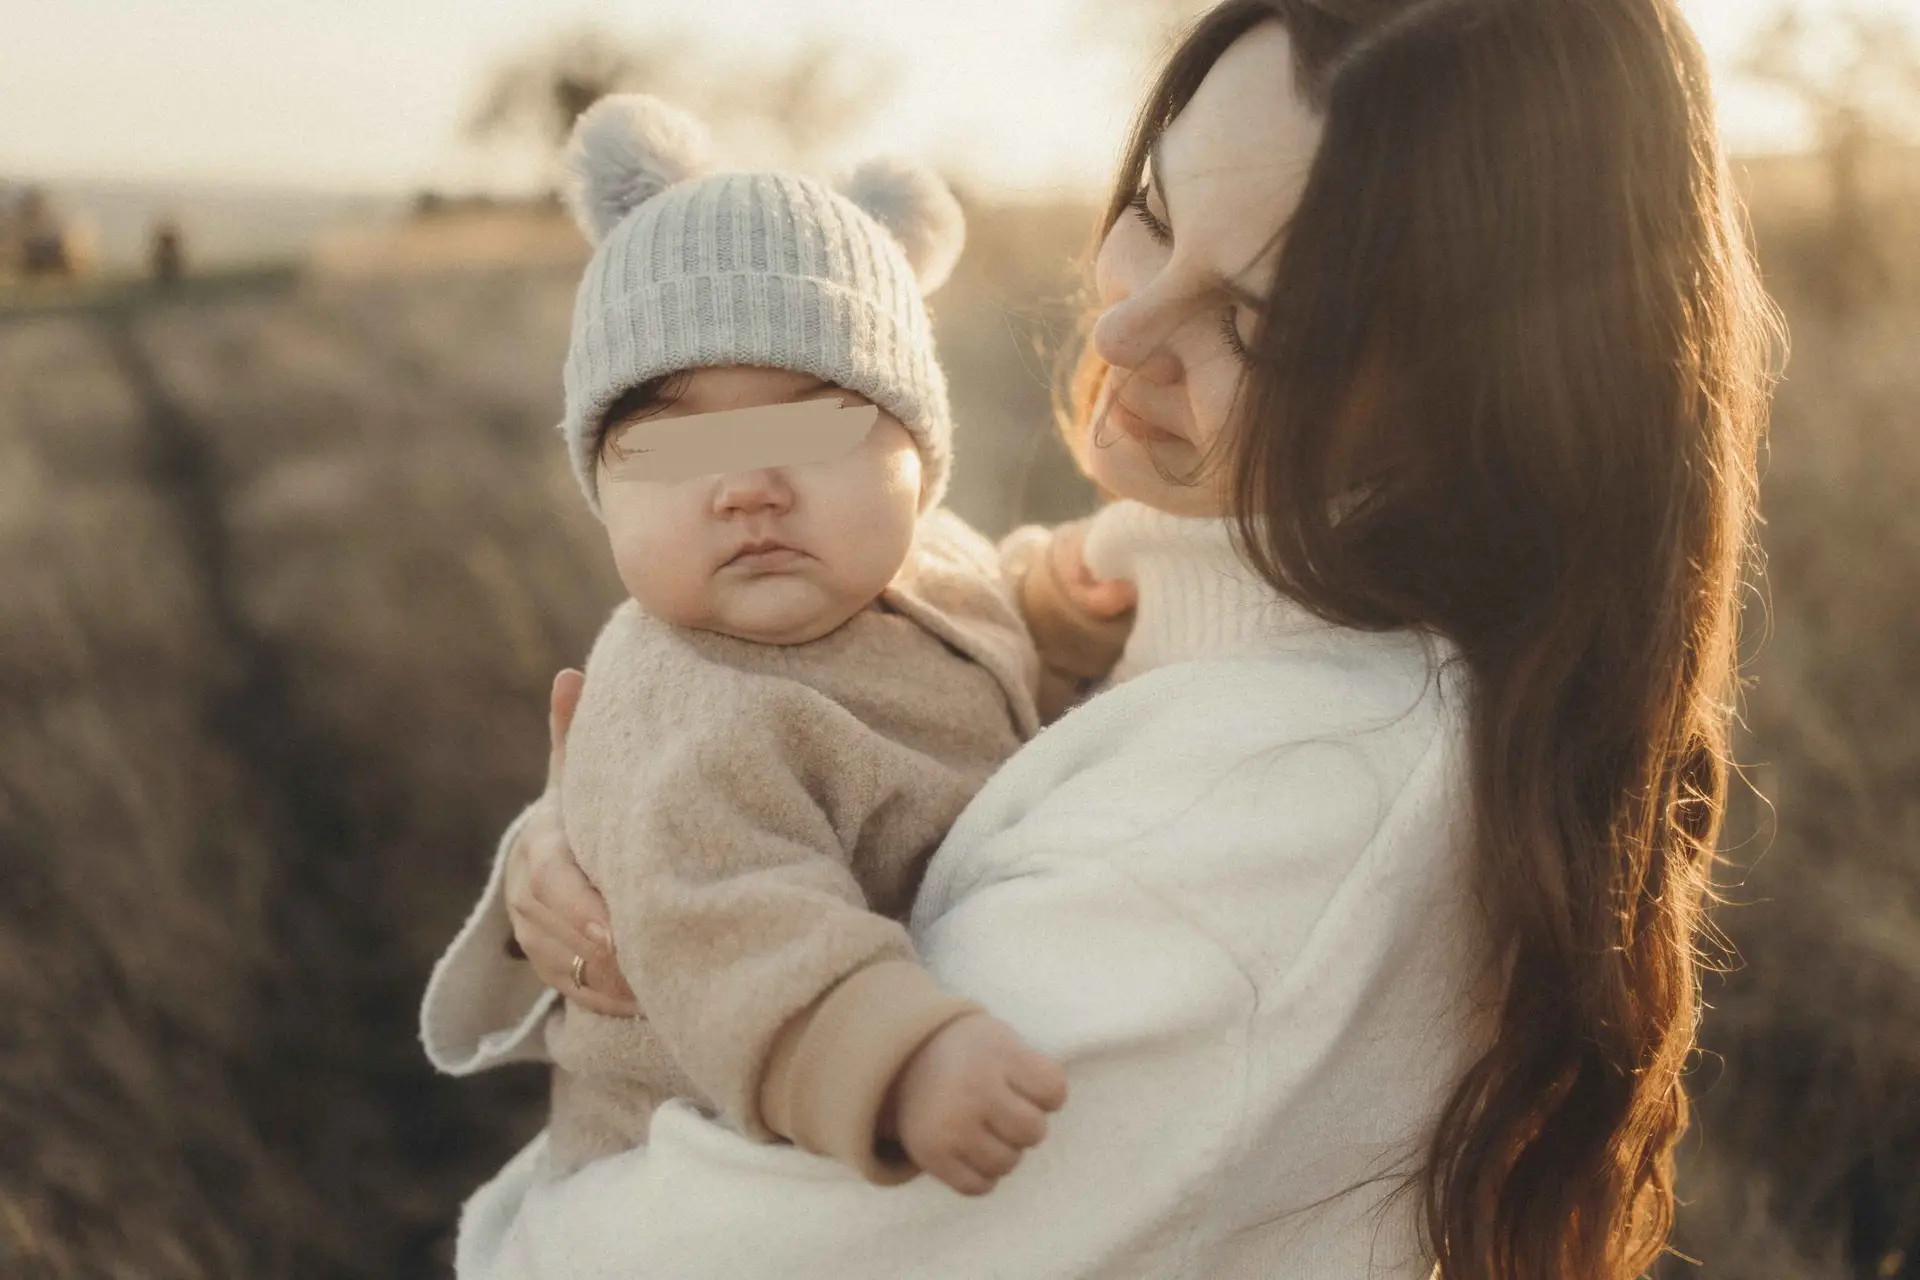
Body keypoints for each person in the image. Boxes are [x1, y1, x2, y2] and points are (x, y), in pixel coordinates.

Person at [423, 1, 1779, 1276]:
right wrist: (600, 845)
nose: (1124, 328)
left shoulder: (1286, 809)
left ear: (1479, 398)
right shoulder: (1186, 611)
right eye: (1151, 210)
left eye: (1257, 324)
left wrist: (529, 1203)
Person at [423, 93, 1144, 1201]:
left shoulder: (929, 568)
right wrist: (903, 1061)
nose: (748, 484)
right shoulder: (682, 705)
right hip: (687, 1172)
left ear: (918, 451)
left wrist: (1053, 599)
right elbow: (744, 929)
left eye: (814, 423)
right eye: (672, 443)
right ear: (599, 487)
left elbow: (989, 618)